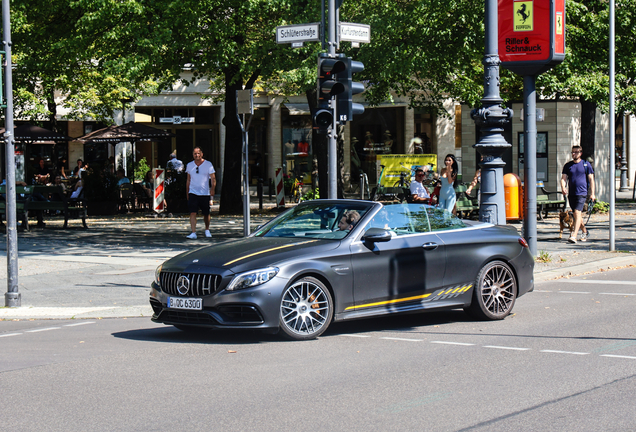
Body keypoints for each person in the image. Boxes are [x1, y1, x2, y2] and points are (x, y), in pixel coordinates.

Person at [561, 145, 595, 243]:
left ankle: (574, 235)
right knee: (577, 215)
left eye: (576, 152)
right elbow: (563, 178)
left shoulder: (586, 164)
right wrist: (563, 187)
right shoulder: (568, 165)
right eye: (572, 152)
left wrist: (592, 194)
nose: (574, 154)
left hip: (582, 193)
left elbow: (591, 179)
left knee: (577, 212)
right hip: (572, 193)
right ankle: (585, 231)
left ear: (580, 153)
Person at [185, 147, 216, 239]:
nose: (197, 155)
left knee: (206, 213)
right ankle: (193, 232)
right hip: (193, 192)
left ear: (202, 154)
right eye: (195, 153)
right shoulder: (189, 165)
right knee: (192, 212)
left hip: (205, 193)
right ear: (193, 155)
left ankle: (207, 229)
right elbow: (188, 179)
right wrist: (187, 191)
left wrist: (212, 189)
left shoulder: (208, 164)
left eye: (198, 153)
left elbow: (213, 178)